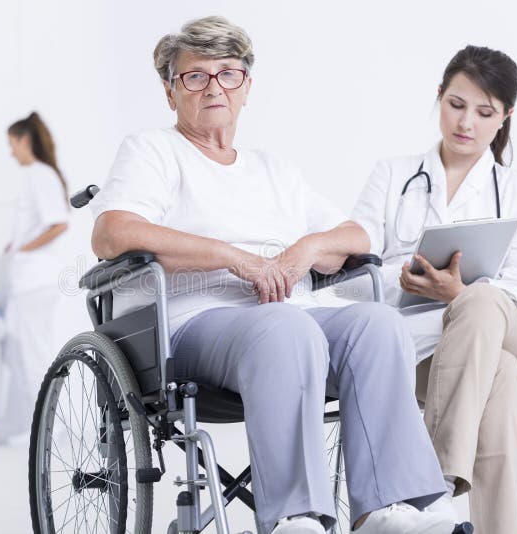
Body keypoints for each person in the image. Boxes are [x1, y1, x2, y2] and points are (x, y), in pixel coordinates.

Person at [90, 16, 453, 534]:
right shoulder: (153, 150)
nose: (214, 86)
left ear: (246, 87)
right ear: (171, 92)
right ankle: (294, 517)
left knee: (377, 325)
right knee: (288, 328)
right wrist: (230, 256)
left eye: (228, 74)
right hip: (192, 323)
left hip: (291, 319)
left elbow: (359, 237)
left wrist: (307, 247)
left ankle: (392, 508)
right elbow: (112, 232)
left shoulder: (274, 169)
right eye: (196, 76)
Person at [349, 45, 517, 533]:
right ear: (439, 97)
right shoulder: (393, 174)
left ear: (505, 118)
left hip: (505, 332)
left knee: (481, 299)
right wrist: (409, 279)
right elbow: (358, 265)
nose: (466, 123)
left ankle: (432, 484)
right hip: (420, 350)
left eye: (485, 113)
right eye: (456, 105)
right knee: (499, 382)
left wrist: (458, 294)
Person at [5, 112, 70, 421]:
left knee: (37, 355)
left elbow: (58, 223)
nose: (10, 151)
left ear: (24, 140)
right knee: (34, 352)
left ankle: (48, 427)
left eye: (12, 144)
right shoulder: (39, 175)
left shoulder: (39, 174)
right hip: (31, 279)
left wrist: (22, 248)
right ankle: (46, 425)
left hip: (36, 279)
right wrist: (15, 245)